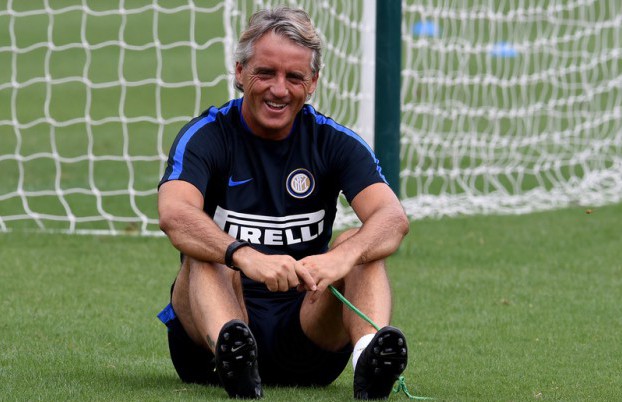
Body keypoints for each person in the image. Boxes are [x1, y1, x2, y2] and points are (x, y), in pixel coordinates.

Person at [156, 7, 410, 400]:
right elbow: (174, 213)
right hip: (208, 347)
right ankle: (234, 356)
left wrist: (342, 258)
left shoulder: (333, 141)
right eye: (266, 73)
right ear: (240, 72)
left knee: (358, 244)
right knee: (205, 251)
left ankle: (369, 358)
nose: (279, 89)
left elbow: (392, 217)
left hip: (308, 339)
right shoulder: (207, 135)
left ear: (313, 82)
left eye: (294, 77)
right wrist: (243, 255)